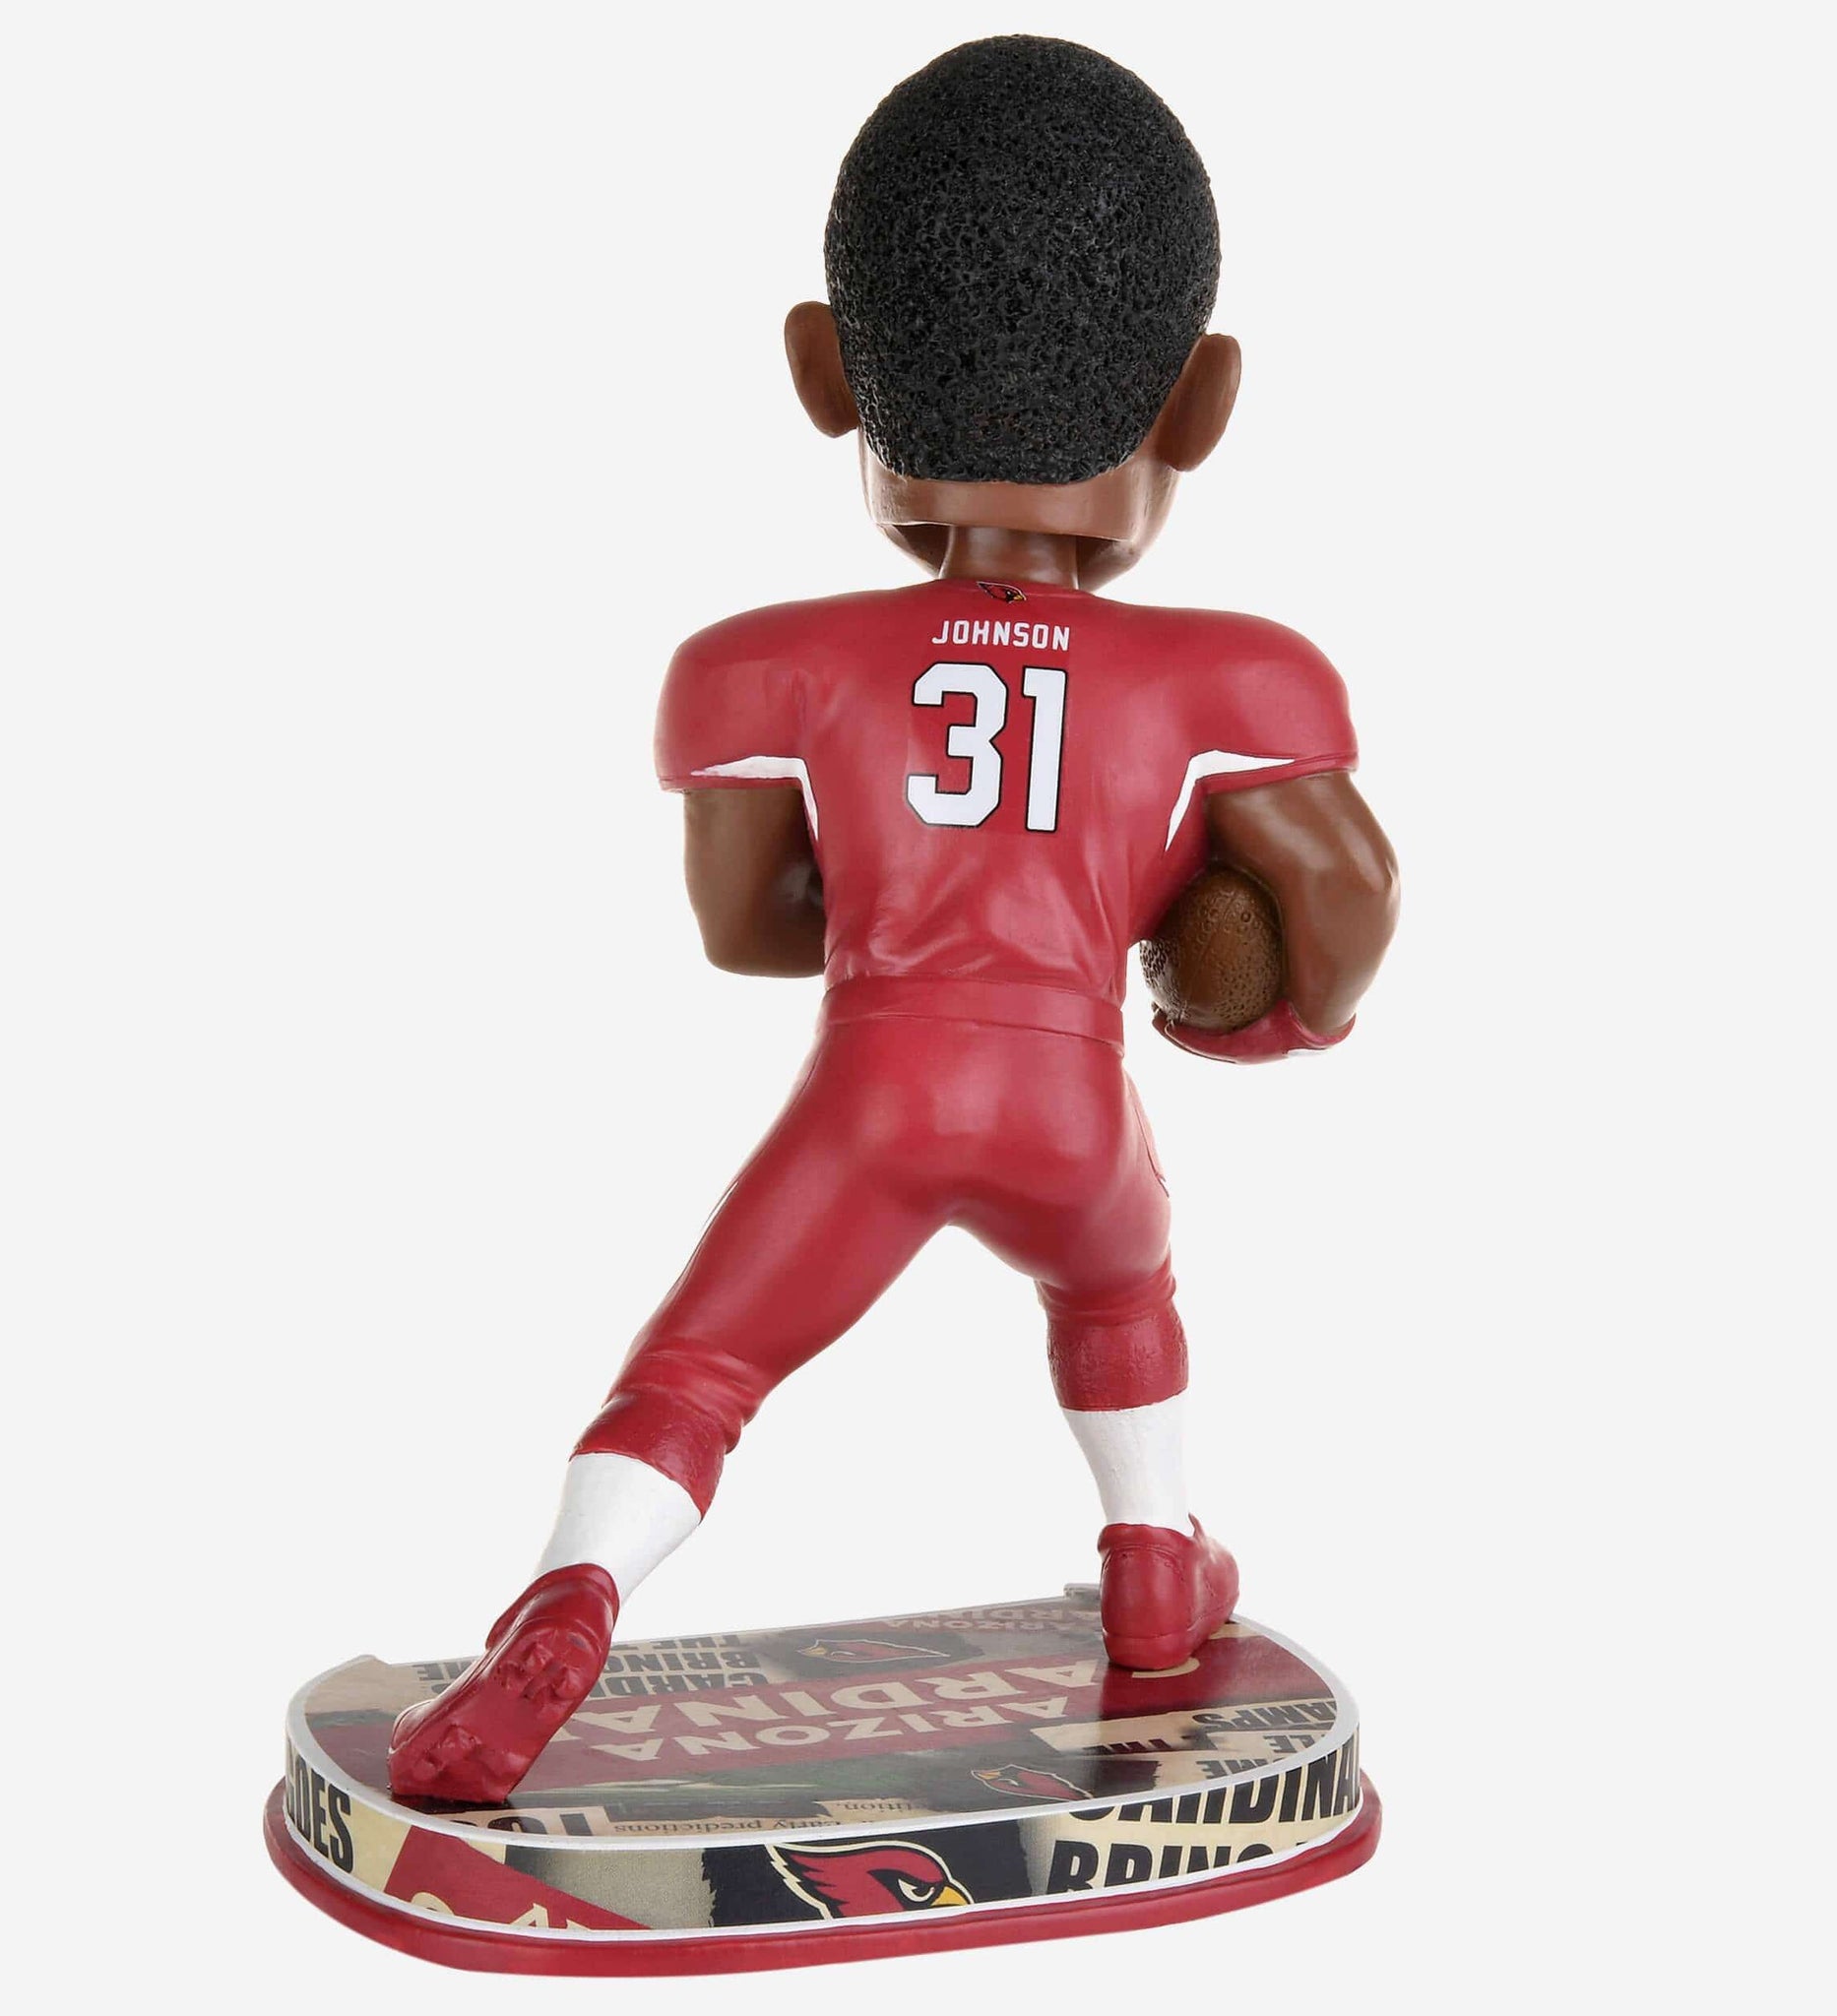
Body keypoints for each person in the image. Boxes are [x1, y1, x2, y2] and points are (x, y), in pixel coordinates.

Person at [389, 34, 1398, 1805]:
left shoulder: (754, 665)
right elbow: (1351, 895)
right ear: (1201, 404)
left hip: (875, 1084)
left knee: (699, 1370)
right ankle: (1155, 1562)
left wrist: (911, 878)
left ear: (825, 374)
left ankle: (568, 1599)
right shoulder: (1237, 676)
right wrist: (1263, 1008)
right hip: (1074, 1098)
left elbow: (749, 929)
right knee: (1123, 1286)